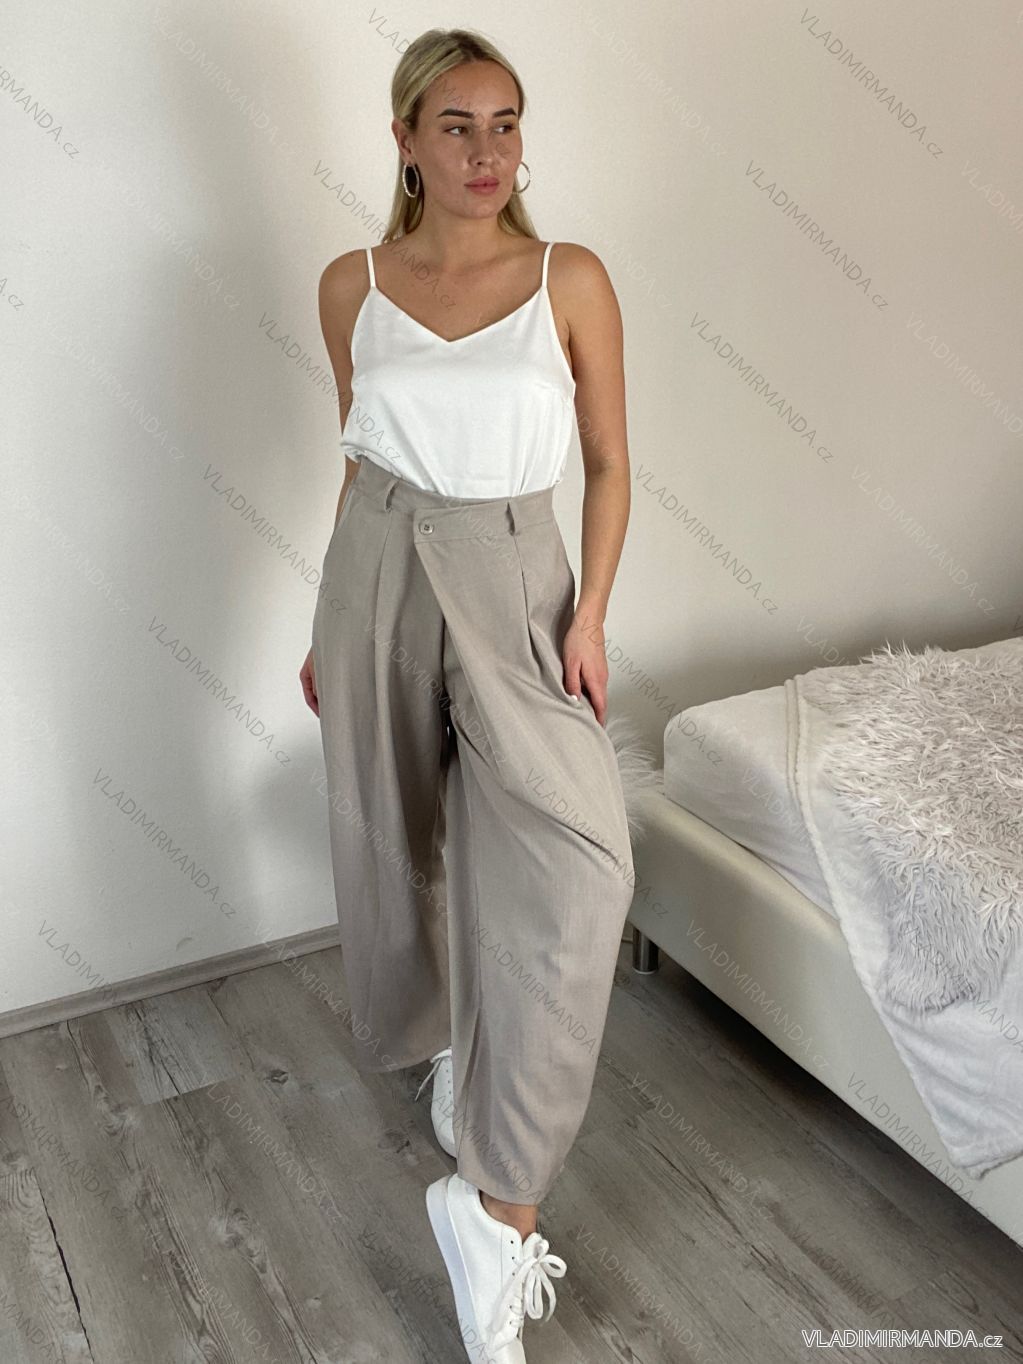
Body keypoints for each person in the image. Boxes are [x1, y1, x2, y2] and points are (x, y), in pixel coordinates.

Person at [299, 27, 637, 1363]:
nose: (488, 151)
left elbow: (607, 462)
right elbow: (359, 453)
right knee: (402, 846)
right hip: (377, 565)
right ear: (404, 140)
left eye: (506, 124)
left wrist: (589, 614)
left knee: (580, 866)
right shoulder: (350, 284)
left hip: (516, 569)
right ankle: (450, 1054)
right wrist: (330, 617)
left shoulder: (570, 277)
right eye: (457, 125)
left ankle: (494, 1210)